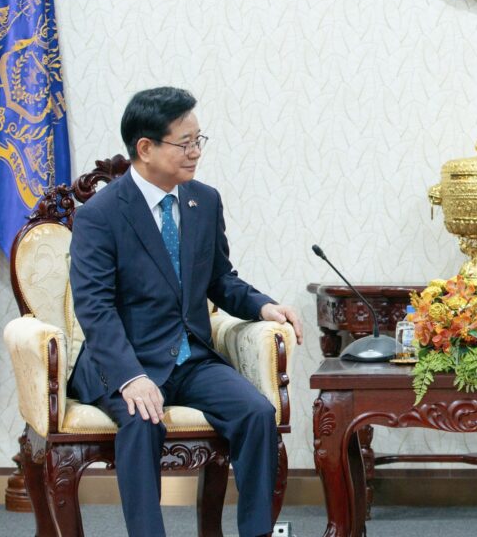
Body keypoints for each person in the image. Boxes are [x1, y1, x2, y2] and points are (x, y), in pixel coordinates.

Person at [67, 86, 303, 537]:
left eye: (199, 140)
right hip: (127, 361)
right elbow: (94, 308)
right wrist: (130, 377)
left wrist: (264, 305)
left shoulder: (203, 201)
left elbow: (220, 279)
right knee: (142, 421)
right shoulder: (101, 215)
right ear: (145, 148)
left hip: (190, 357)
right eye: (185, 143)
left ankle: (257, 532)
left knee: (257, 413)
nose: (196, 152)